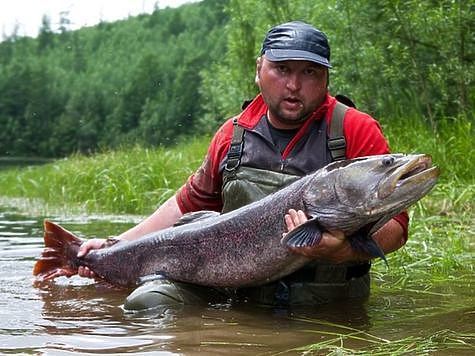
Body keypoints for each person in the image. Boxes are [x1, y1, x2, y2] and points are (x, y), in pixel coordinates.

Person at [78, 21, 408, 309]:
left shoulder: (355, 129)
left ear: (325, 78)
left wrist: (343, 252)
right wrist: (113, 246)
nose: (293, 85)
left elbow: (397, 227)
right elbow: (185, 206)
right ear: (259, 69)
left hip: (325, 303)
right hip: (240, 299)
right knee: (147, 302)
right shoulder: (232, 135)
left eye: (309, 72)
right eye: (282, 69)